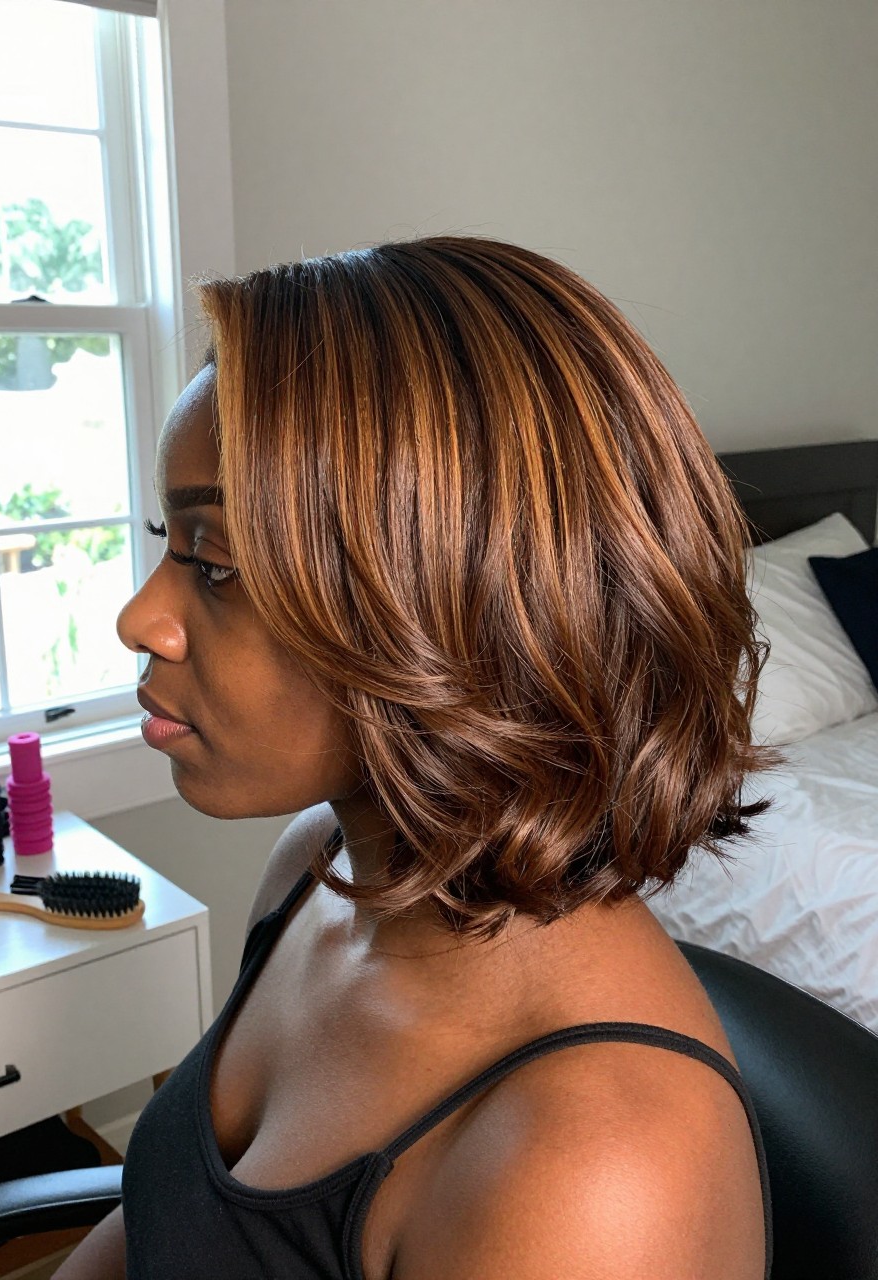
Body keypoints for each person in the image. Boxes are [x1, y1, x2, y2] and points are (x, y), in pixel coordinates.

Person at [55, 235, 776, 1279]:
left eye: (214, 563)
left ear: (450, 603)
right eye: (166, 540)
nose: (140, 617)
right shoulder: (317, 870)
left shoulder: (596, 1181)